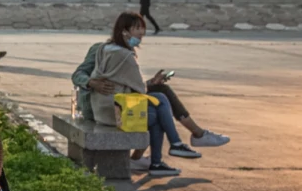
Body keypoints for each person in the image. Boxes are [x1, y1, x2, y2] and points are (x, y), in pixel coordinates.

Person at [88, 12, 199, 177]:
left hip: (102, 110)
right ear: (124, 31)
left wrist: (151, 82)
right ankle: (167, 152)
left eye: (143, 28)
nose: (142, 33)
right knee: (160, 107)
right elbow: (140, 89)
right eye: (137, 28)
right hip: (116, 115)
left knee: (159, 102)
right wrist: (151, 83)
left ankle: (165, 154)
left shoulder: (105, 48)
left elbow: (124, 82)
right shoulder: (125, 56)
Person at [72, 42, 230, 149]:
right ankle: (194, 136)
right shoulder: (101, 49)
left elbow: (127, 87)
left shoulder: (127, 53)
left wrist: (150, 83)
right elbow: (77, 75)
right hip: (98, 108)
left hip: (120, 100)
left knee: (161, 91)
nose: (138, 39)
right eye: (136, 33)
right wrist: (91, 82)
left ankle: (192, 137)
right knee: (159, 105)